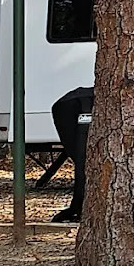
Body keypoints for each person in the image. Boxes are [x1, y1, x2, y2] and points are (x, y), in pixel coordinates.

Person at [49, 86, 94, 223]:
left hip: (70, 106)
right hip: (72, 107)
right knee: (84, 163)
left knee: (84, 163)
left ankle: (79, 205)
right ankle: (79, 206)